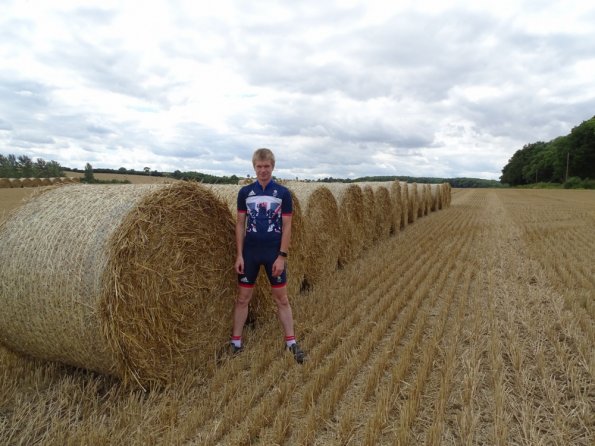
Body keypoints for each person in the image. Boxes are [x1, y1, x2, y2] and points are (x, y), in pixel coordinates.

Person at [231, 148, 305, 363]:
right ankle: (236, 342)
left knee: (282, 299)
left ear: (273, 167)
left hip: (274, 253)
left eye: (267, 166)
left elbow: (287, 225)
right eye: (259, 166)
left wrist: (282, 256)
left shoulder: (282, 193)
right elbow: (240, 223)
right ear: (254, 167)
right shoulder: (245, 193)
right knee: (242, 298)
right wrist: (239, 255)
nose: (263, 170)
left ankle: (291, 341)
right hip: (250, 254)